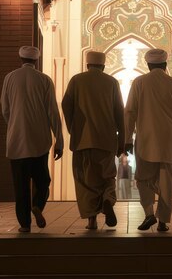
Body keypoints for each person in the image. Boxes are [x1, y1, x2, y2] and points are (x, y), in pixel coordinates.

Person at [125, 48, 172, 232]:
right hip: (171, 139)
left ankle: (149, 214)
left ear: (148, 65)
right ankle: (163, 221)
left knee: (144, 178)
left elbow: (130, 112)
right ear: (164, 65)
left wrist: (127, 138)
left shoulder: (139, 83)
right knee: (167, 181)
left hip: (146, 139)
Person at [0, 45, 64, 233]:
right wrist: (58, 141)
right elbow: (53, 112)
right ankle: (37, 205)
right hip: (39, 141)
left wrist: (14, 125)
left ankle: (25, 224)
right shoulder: (44, 80)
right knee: (42, 180)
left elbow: (5, 108)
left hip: (16, 142)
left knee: (20, 185)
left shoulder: (9, 78)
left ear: (20, 59)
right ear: (36, 61)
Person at [61, 50, 125, 230]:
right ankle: (107, 199)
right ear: (103, 66)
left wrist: (73, 127)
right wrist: (122, 139)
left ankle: (92, 220)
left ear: (87, 65)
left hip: (83, 140)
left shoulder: (77, 80)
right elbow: (119, 111)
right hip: (107, 140)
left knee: (85, 180)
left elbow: (66, 104)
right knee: (107, 176)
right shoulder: (111, 82)